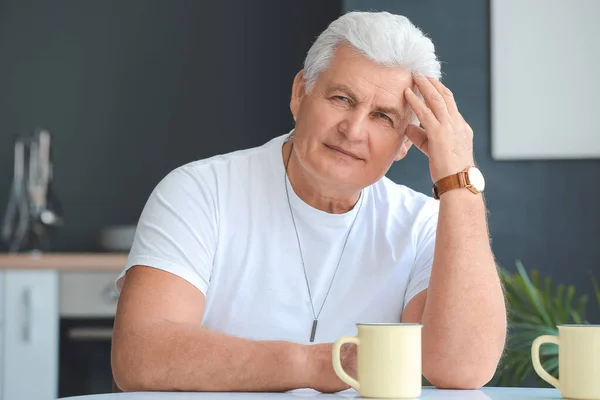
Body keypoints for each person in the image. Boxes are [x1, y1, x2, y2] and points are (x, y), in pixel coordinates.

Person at [111, 10, 507, 393]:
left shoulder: (421, 223)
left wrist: (459, 182)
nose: (353, 130)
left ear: (406, 143)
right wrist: (318, 364)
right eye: (342, 99)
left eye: (383, 117)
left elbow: (462, 367)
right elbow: (141, 355)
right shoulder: (198, 191)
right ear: (301, 93)